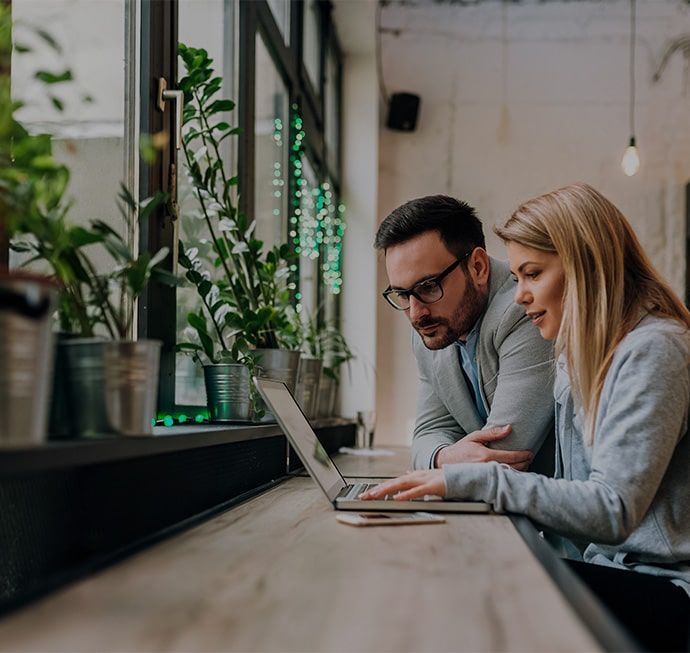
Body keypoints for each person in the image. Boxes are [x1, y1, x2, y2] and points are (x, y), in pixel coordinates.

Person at [364, 182, 690, 652]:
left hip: (667, 587)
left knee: (469, 589)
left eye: (532, 274)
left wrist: (462, 478)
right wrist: (448, 464)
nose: (518, 296)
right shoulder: (583, 357)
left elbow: (612, 509)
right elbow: (429, 433)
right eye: (516, 277)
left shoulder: (654, 350)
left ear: (585, 267)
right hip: (612, 567)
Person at [374, 194, 555, 474]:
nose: (415, 313)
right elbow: (428, 433)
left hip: (548, 508)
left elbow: (505, 454)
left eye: (429, 287)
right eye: (402, 294)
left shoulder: (528, 309)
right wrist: (443, 457)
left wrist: (443, 461)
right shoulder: (434, 327)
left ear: (478, 267)